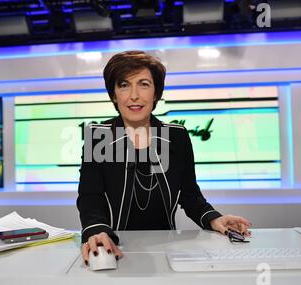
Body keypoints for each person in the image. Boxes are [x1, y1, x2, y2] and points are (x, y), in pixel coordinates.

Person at [77, 50, 252, 265]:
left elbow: (189, 195)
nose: (134, 95)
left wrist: (214, 218)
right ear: (114, 94)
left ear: (156, 93)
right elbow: (90, 198)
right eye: (124, 85)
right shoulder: (99, 136)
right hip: (114, 247)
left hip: (167, 249)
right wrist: (96, 231)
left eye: (143, 84)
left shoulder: (175, 137)